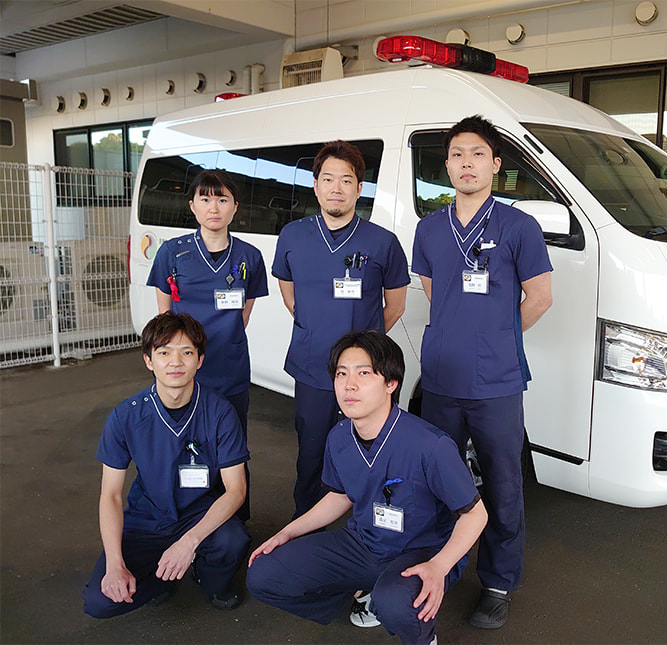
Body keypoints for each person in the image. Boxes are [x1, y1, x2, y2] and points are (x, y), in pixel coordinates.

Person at [246, 330, 487, 645]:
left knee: (397, 603)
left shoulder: (430, 445)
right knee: (263, 574)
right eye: (341, 374)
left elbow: (475, 515)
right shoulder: (339, 436)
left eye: (364, 373)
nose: (349, 385)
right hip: (362, 545)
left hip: (421, 549)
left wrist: (439, 566)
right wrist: (288, 532)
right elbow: (340, 494)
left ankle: (420, 635)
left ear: (391, 384)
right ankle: (366, 591)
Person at [411, 115, 553, 629]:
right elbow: (433, 290)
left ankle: (497, 583)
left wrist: (496, 336)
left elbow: (539, 298)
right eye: (457, 155)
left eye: (477, 154)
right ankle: (438, 573)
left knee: (502, 483)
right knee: (437, 481)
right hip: (442, 378)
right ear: (446, 165)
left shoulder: (519, 227)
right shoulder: (429, 228)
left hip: (497, 383)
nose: (466, 163)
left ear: (495, 164)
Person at [271, 140, 409, 520]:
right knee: (311, 452)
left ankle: (368, 525)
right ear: (315, 185)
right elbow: (290, 294)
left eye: (346, 180)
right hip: (313, 366)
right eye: (327, 179)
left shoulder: (383, 242)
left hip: (366, 374)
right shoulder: (293, 236)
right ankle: (306, 527)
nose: (336, 188)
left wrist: (366, 349)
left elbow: (395, 305)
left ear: (359, 189)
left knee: (370, 449)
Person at [82, 312, 251, 617]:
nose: (176, 362)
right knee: (99, 602)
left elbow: (236, 490)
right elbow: (111, 495)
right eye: (164, 353)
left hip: (199, 513)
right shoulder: (126, 416)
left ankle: (208, 577)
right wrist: (114, 564)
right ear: (148, 360)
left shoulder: (220, 412)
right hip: (148, 518)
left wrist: (189, 542)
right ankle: (162, 580)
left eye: (186, 352)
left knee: (233, 540)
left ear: (199, 360)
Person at [147, 169, 267, 520]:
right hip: (183, 370)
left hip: (229, 367)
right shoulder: (172, 253)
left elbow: (242, 315)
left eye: (222, 198)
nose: (213, 206)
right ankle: (181, 518)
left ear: (235, 207)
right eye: (205, 198)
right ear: (192, 206)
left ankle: (234, 520)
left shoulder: (249, 256)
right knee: (182, 444)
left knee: (231, 447)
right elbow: (164, 322)